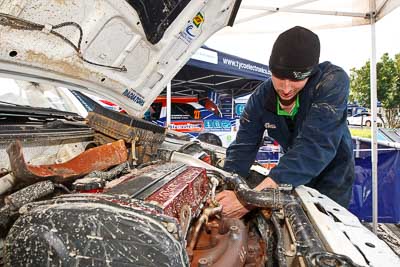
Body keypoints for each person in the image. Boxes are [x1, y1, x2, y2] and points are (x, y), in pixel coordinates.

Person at [217, 26, 355, 218]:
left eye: (296, 79)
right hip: (292, 171)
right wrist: (229, 185)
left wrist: (250, 199)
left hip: (332, 176)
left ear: (311, 73)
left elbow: (314, 146)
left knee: (325, 229)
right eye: (280, 77)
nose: (286, 88)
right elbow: (243, 146)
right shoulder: (261, 98)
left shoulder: (331, 82)